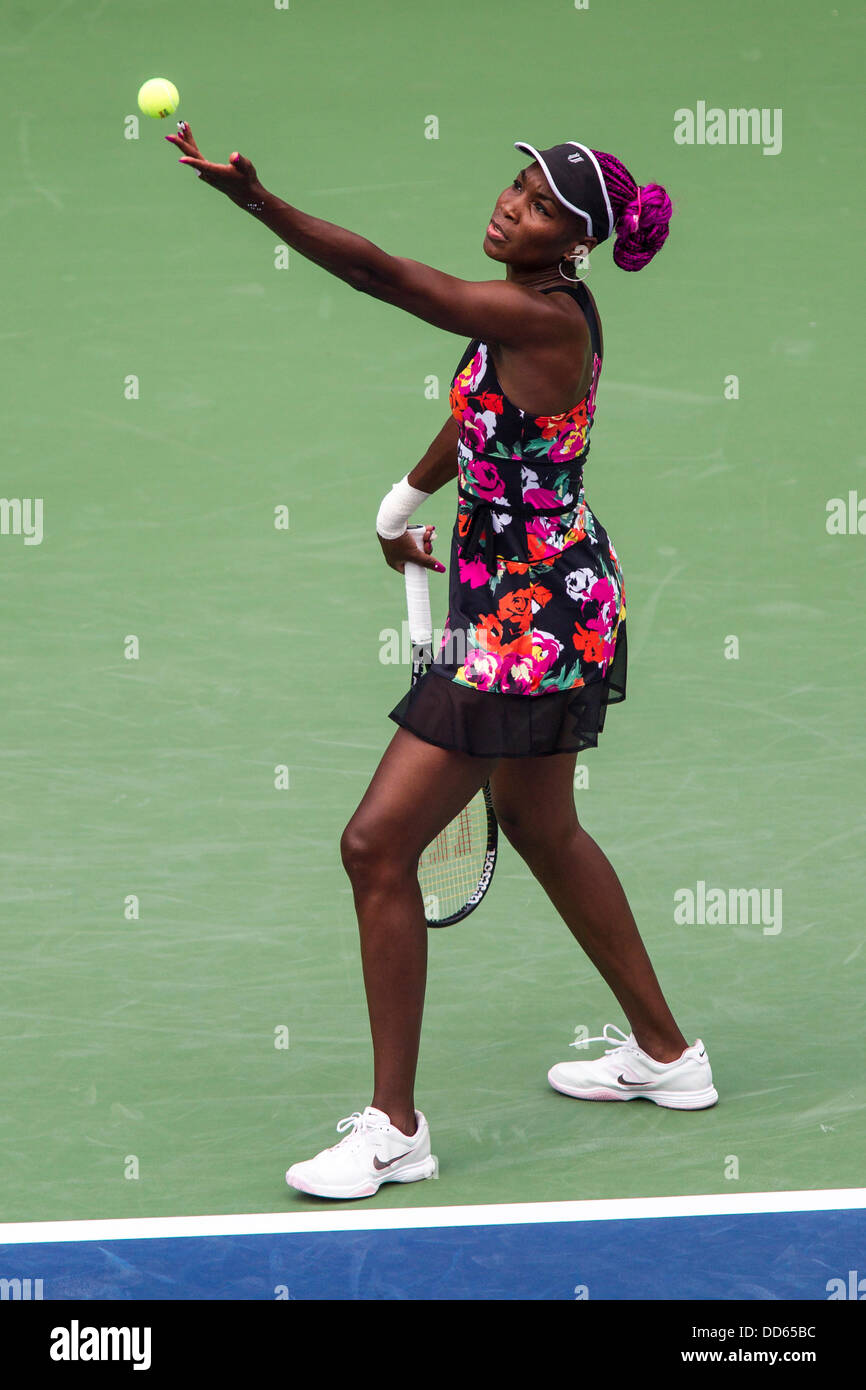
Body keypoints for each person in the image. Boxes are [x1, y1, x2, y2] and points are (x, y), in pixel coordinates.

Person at [166, 126, 718, 1202]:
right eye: (515, 186)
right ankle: (666, 1055)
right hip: (538, 597)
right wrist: (404, 500)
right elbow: (477, 409)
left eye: (541, 206)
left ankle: (393, 1129)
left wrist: (261, 205)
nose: (513, 207)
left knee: (376, 846)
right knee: (541, 824)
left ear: (576, 245)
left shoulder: (533, 311)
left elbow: (385, 275)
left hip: (530, 623)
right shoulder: (521, 314)